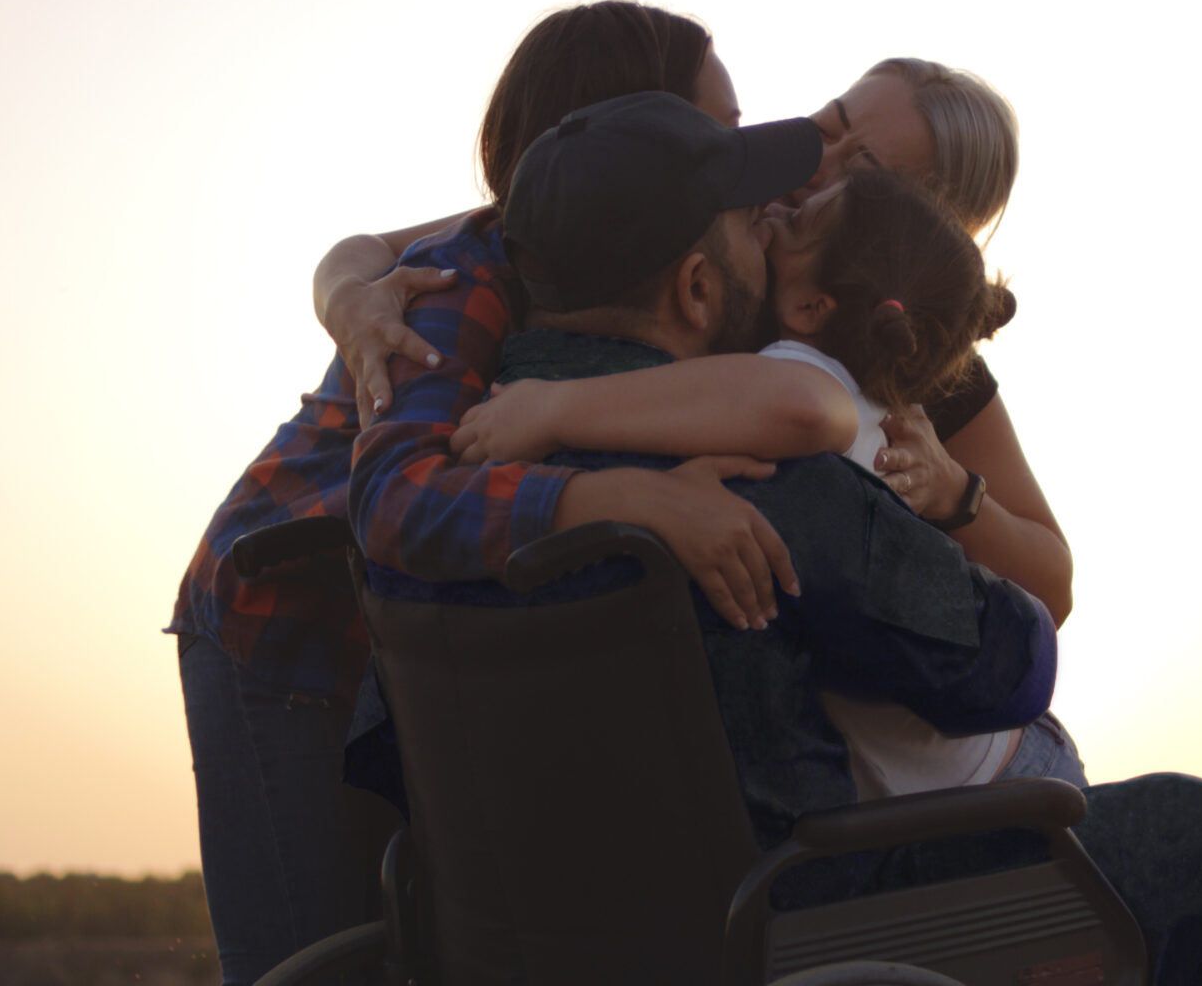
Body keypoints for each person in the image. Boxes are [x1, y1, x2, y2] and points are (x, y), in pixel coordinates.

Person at [351, 91, 1202, 982]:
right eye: (751, 220)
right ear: (700, 285)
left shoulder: (450, 462)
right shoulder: (762, 475)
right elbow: (1008, 666)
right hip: (797, 922)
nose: (773, 218)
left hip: (535, 948)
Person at [167, 0, 795, 986]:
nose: (738, 158)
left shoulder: (679, 263)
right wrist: (627, 497)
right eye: (714, 131)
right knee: (316, 957)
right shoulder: (472, 277)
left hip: (423, 631)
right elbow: (403, 495)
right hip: (283, 622)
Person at [321, 56, 1077, 628]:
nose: (818, 166)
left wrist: (958, 495)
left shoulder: (919, 364)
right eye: (829, 125)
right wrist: (350, 297)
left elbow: (1052, 582)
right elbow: (390, 251)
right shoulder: (678, 210)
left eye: (864, 171)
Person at [454, 168, 1084, 798]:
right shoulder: (855, 390)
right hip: (982, 771)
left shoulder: (803, 374)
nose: (774, 216)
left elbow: (802, 403)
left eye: (799, 222)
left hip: (996, 784)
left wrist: (553, 409)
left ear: (812, 307)